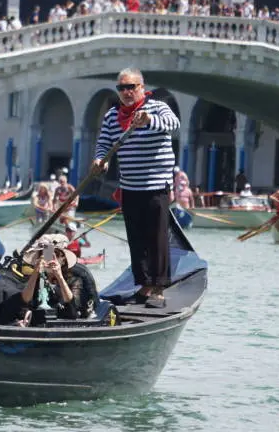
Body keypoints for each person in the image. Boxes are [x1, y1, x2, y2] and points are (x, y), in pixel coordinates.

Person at [92, 68, 179, 307]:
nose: (126, 92)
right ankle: (144, 285)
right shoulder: (112, 116)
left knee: (157, 237)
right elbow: (104, 143)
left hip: (155, 184)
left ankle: (159, 287)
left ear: (142, 87)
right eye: (122, 88)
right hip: (130, 185)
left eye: (131, 87)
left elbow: (173, 124)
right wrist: (101, 160)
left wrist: (149, 120)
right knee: (136, 239)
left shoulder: (157, 107)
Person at [22, 234, 97, 320]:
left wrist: (59, 276)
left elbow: (73, 310)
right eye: (46, 254)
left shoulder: (74, 279)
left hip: (68, 321)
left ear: (63, 259)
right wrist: (35, 273)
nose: (49, 259)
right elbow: (25, 300)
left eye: (55, 255)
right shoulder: (37, 278)